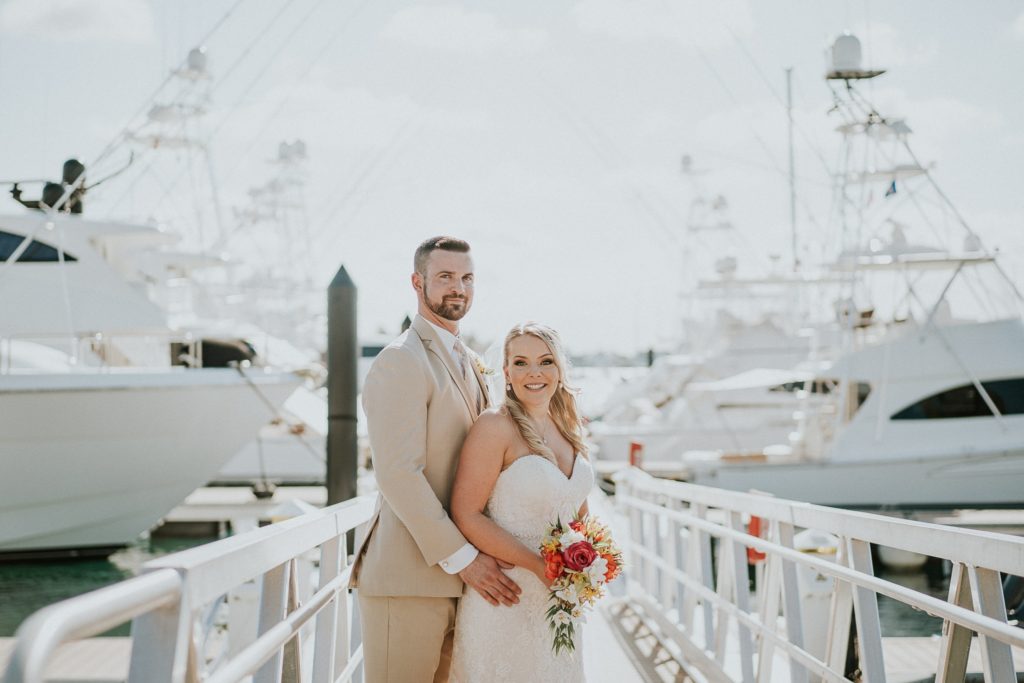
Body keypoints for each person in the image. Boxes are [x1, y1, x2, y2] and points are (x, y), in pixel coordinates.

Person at [353, 236, 522, 683]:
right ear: (417, 282)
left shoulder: (469, 360)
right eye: (445, 277)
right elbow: (397, 474)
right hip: (407, 580)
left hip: (465, 585)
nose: (458, 288)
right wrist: (464, 558)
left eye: (466, 278)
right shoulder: (400, 361)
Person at [449, 322, 593, 682]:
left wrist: (591, 559)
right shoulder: (494, 426)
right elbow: (466, 513)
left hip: (560, 601)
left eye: (545, 361)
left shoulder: (569, 428)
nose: (534, 373)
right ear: (507, 372)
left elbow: (577, 510)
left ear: (559, 370)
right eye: (521, 362)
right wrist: (536, 566)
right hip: (506, 594)